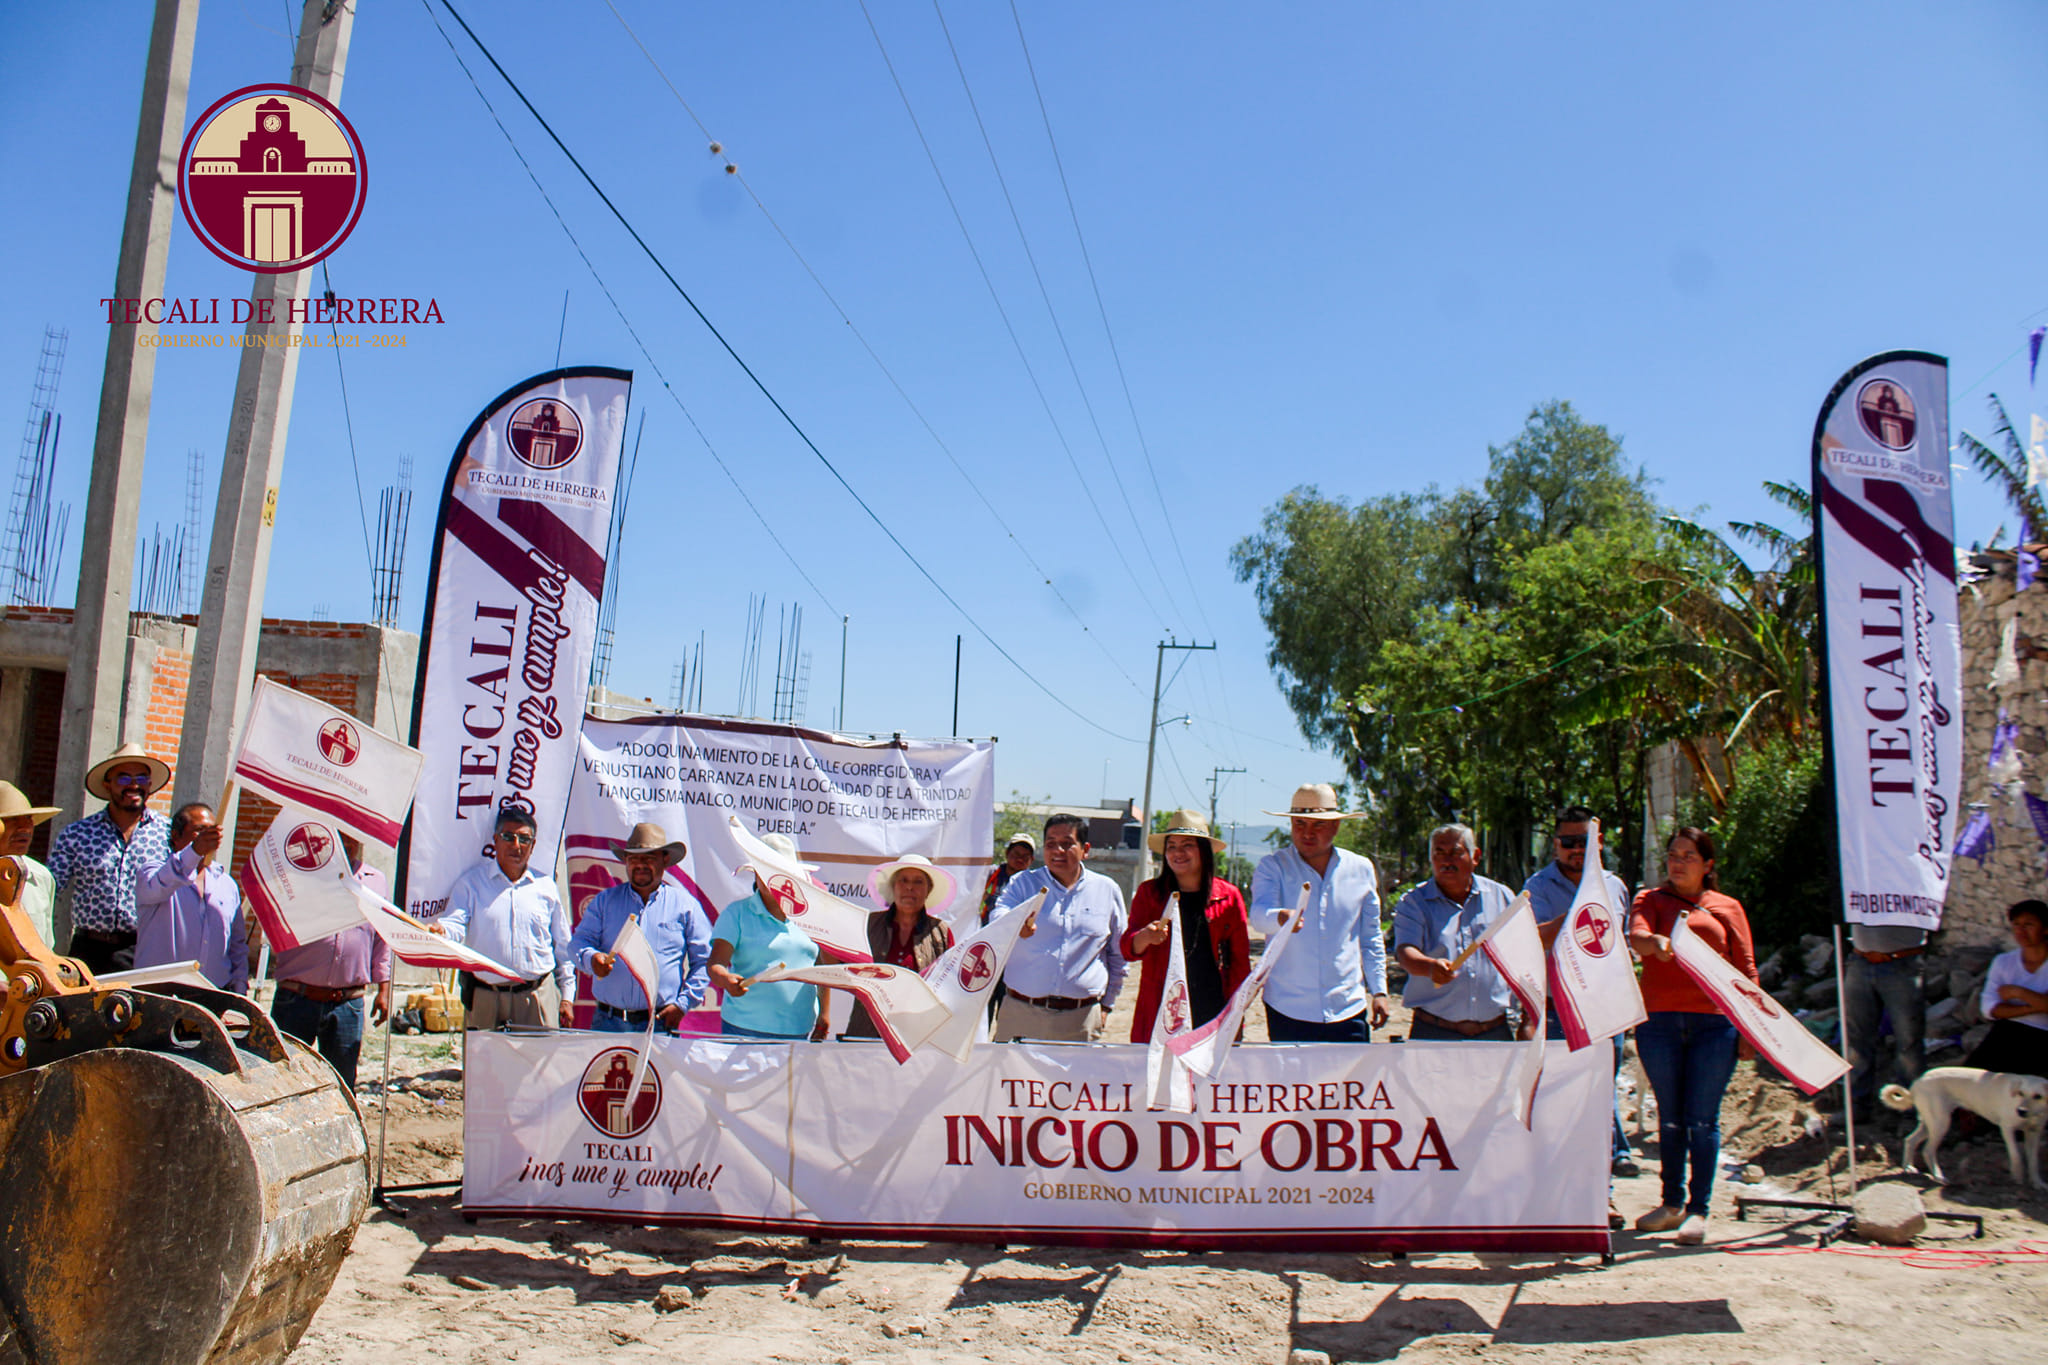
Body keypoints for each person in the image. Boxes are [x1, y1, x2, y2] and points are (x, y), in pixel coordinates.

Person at [1627, 825, 1756, 1247]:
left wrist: (1751, 1030)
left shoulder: (1728, 908)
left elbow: (1746, 969)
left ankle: (1699, 1209)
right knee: (1670, 1116)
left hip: (1714, 1024)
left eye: (1688, 856)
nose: (1678, 862)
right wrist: (1656, 943)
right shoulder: (1651, 899)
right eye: (1673, 854)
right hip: (1659, 1023)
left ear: (1708, 865)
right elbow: (1638, 938)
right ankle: (1670, 1203)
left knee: (1702, 1119)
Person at [1525, 804, 1639, 1176]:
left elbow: (1620, 946)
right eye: (1569, 841)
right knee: (1562, 1101)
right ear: (1556, 844)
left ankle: (1602, 1196)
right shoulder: (1537, 888)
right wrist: (1580, 911)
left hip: (1606, 1012)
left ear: (1600, 843)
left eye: (1585, 842)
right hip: (1560, 1011)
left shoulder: (1616, 886)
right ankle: (1562, 1191)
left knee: (1601, 1098)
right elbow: (1533, 937)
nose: (1577, 849)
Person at [1248, 785, 1388, 1041]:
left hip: (1348, 1007)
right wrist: (1280, 918)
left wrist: (1379, 991)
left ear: (1335, 826)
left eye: (1318, 825)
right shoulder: (1273, 867)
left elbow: (1370, 937)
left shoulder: (1361, 869)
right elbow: (1258, 915)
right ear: (1290, 824)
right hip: (1288, 1007)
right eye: (1300, 823)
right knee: (1292, 1083)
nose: (1307, 833)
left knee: (1351, 1082)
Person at [270, 833, 393, 1088]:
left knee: (342, 1084)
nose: (348, 844)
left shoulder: (376, 881)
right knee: (284, 1081)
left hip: (347, 1004)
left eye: (354, 838)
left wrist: (384, 989)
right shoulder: (302, 875)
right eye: (341, 837)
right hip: (296, 998)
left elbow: (382, 938)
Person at [992, 813, 1128, 1043]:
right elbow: (999, 915)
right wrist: (1015, 924)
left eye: (1067, 844)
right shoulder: (1023, 883)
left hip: (1081, 1019)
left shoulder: (1107, 890)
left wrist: (1107, 1006)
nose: (1058, 851)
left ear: (1085, 849)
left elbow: (1119, 954)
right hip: (1021, 1014)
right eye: (1051, 844)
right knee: (1008, 1079)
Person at [438, 803, 574, 1030]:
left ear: (533, 845)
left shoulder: (545, 887)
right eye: (508, 837)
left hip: (536, 997)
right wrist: (441, 930)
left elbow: (563, 947)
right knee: (483, 1065)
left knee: (539, 1065)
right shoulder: (471, 884)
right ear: (495, 840)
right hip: (486, 999)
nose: (516, 845)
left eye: (524, 839)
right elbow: (455, 924)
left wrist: (567, 996)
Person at [570, 823, 712, 1034]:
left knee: (658, 1070)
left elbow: (705, 961)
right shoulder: (604, 901)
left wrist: (683, 1004)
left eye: (649, 858)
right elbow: (578, 943)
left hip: (661, 1022)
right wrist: (591, 958)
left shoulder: (685, 905)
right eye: (634, 858)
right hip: (609, 1022)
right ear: (626, 861)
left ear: (664, 860)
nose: (640, 864)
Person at [1123, 810, 1250, 1043]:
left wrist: (1236, 1015)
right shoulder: (1149, 894)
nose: (1178, 853)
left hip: (1212, 1010)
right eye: (1171, 846)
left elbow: (1240, 964)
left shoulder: (1229, 897)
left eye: (1187, 845)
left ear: (1203, 850)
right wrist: (1145, 937)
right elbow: (1127, 948)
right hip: (1160, 1010)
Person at [47, 742, 173, 975]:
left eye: (142, 778)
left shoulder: (168, 834)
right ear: (108, 784)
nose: (134, 785)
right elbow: (49, 888)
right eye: (124, 779)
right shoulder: (77, 834)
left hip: (144, 950)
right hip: (88, 951)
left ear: (151, 784)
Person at [1393, 824, 1517, 1041]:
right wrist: (1430, 967)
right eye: (1438, 854)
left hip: (1495, 1032)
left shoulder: (1502, 897)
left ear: (1475, 856)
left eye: (1455, 853)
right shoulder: (1414, 902)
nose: (1446, 861)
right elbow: (1405, 952)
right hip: (1434, 1032)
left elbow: (1522, 949)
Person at [708, 833, 824, 1040]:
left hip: (799, 1028)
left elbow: (823, 968)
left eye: (779, 872)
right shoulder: (737, 913)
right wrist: (726, 979)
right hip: (743, 1028)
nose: (772, 879)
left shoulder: (813, 917)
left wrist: (824, 1015)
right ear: (755, 874)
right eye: (765, 871)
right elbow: (716, 964)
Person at [134, 802, 248, 993]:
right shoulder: (154, 872)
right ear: (176, 835)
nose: (209, 837)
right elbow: (160, 885)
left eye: (213, 831)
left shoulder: (226, 884)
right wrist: (194, 852)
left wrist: (239, 987)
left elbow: (236, 945)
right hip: (160, 994)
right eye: (199, 831)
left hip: (212, 993)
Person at [841, 853, 957, 1039]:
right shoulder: (868, 925)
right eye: (903, 880)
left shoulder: (940, 932)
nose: (910, 887)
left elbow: (950, 984)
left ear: (928, 890)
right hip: (868, 1028)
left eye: (918, 882)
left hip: (919, 1033)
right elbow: (841, 966)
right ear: (893, 887)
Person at [1843, 914, 1929, 1121]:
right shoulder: (1860, 881)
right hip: (1860, 960)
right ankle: (1857, 1105)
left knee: (1908, 1041)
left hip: (1902, 961)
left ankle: (1910, 1109)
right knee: (1856, 1039)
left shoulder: (1908, 882)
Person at [1963, 899, 2048, 1079]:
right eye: (2016, 925)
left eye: (2029, 925)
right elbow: (1989, 1008)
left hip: (2044, 1035)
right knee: (1973, 1079)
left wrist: (2018, 993)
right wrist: (2035, 1005)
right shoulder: (2003, 962)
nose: (2021, 931)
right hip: (2009, 1031)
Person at [0, 781, 61, 950]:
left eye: (28, 818)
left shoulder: (40, 876)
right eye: (12, 819)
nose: (25, 828)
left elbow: (46, 944)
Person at [980, 833, 1035, 923]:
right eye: (1016, 854)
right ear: (1007, 853)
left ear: (1032, 860)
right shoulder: (991, 873)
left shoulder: (1033, 883)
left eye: (1025, 856)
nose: (1020, 859)